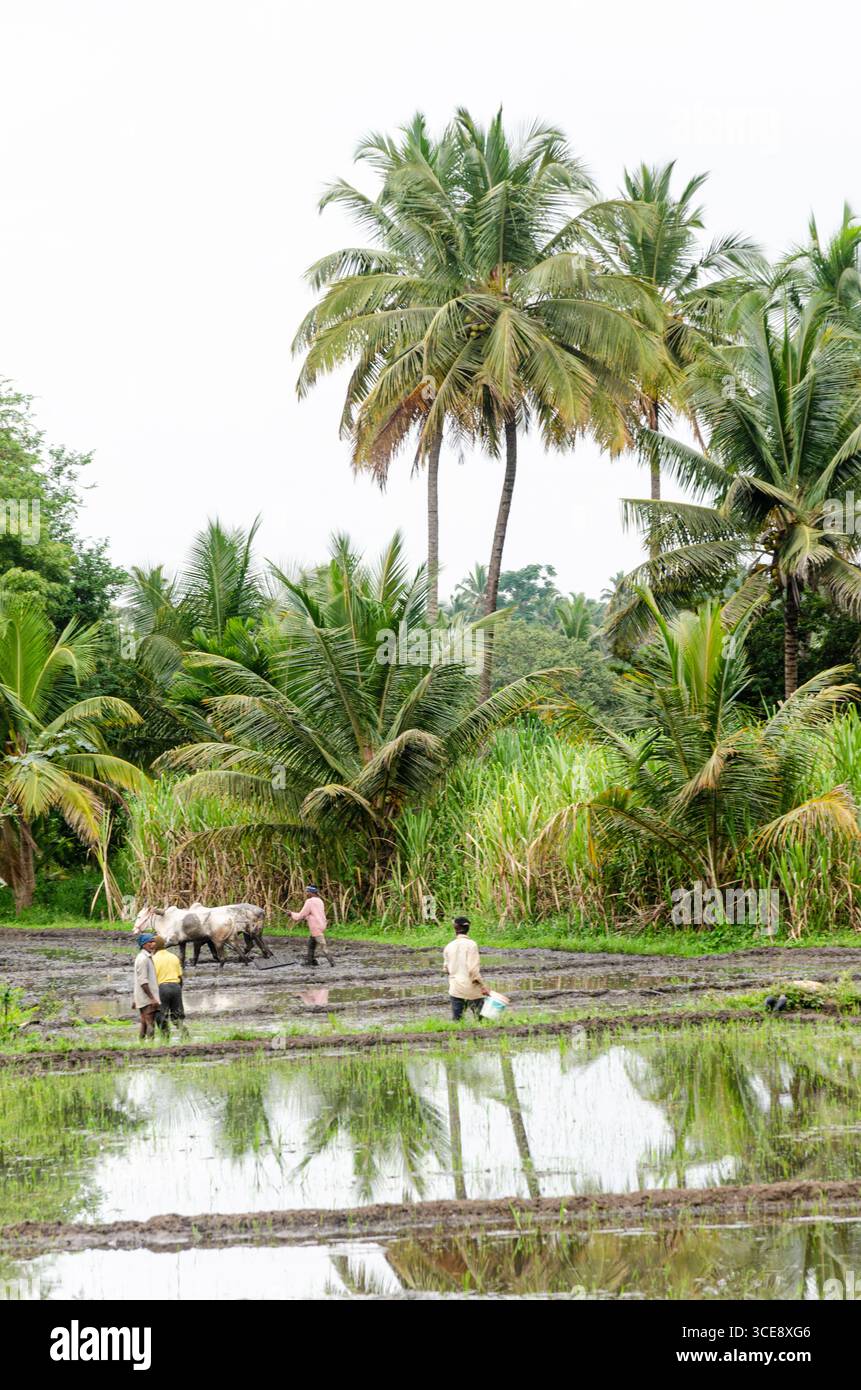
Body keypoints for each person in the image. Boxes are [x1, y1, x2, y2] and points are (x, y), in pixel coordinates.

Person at [443, 916, 489, 1021]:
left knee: (457, 1020)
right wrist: (483, 986)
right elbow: (473, 970)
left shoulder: (449, 946)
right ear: (468, 929)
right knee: (481, 1020)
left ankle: (455, 1037)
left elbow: (446, 969)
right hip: (472, 989)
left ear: (455, 928)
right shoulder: (472, 945)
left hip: (455, 989)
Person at [290, 884, 334, 967]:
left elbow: (300, 916)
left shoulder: (309, 902)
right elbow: (313, 914)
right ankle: (310, 961)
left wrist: (291, 914)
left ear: (311, 892)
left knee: (323, 947)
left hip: (315, 927)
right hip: (321, 925)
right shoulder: (320, 901)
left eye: (307, 891)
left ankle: (333, 964)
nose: (306, 893)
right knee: (311, 944)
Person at [153, 938, 187, 1038]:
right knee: (177, 1015)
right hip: (175, 987)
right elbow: (180, 977)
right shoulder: (173, 957)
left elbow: (152, 978)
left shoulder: (153, 959)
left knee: (160, 1014)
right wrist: (179, 989)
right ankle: (184, 1033)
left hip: (162, 988)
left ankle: (165, 1036)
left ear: (155, 946)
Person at [133, 933, 160, 1040]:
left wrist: (135, 998)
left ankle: (141, 1045)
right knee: (150, 1022)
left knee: (144, 1022)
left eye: (154, 942)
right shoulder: (143, 959)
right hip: (147, 997)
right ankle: (151, 1045)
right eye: (150, 942)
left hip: (142, 996)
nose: (153, 944)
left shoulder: (145, 957)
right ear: (144, 945)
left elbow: (138, 979)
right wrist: (152, 998)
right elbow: (143, 981)